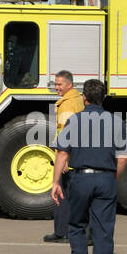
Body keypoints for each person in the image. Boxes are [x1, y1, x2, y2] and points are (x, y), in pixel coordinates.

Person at [50, 79, 127, 254]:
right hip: (105, 179)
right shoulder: (116, 122)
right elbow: (122, 158)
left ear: (84, 98)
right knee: (103, 231)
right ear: (103, 98)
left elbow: (62, 153)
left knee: (76, 226)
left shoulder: (74, 121)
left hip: (80, 179)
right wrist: (112, 178)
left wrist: (56, 182)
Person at [43, 69, 85, 243]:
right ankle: (68, 230)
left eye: (60, 84)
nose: (57, 88)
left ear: (70, 84)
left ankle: (62, 232)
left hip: (68, 157)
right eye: (55, 84)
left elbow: (66, 133)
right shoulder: (77, 99)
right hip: (76, 156)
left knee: (62, 194)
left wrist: (65, 158)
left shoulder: (67, 104)